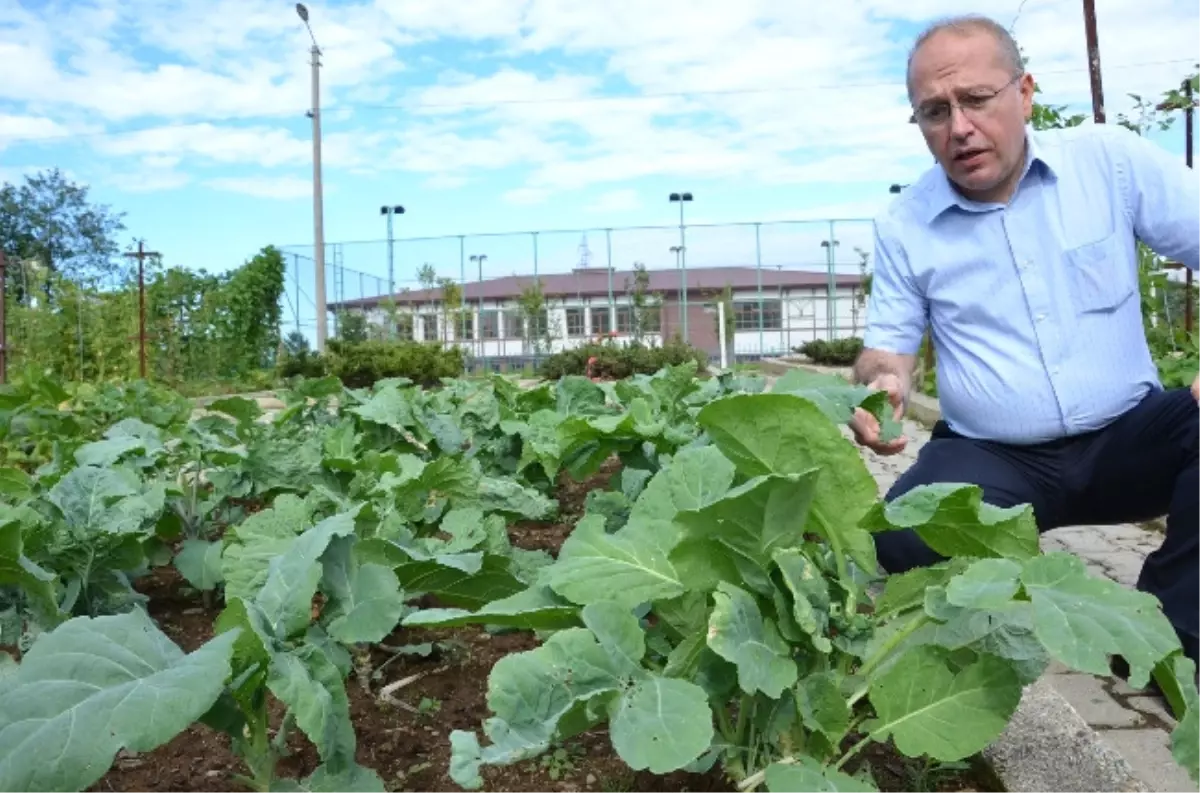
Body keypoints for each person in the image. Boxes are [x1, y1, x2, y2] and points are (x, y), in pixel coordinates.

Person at [849, 13, 1200, 669]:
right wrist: (884, 385)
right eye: (933, 111)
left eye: (976, 99)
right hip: (996, 461)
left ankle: (1172, 637)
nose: (958, 127)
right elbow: (886, 349)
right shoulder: (905, 223)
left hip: (1128, 437)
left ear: (1025, 92)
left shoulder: (1108, 162)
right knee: (889, 543)